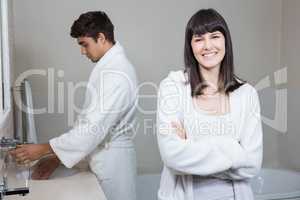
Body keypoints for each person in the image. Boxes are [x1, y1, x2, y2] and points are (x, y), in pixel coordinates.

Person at [10, 11, 137, 200]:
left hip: (112, 165)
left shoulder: (117, 74)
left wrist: (44, 149)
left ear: (101, 38)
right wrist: (56, 157)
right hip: (101, 158)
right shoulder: (108, 68)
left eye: (84, 44)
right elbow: (88, 125)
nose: (82, 51)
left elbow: (91, 130)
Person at [156, 8, 263, 200]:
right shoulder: (173, 88)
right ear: (190, 46)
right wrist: (234, 149)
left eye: (215, 36)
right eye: (198, 39)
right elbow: (172, 156)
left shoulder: (247, 94)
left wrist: (190, 145)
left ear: (225, 42)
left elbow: (252, 165)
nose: (207, 45)